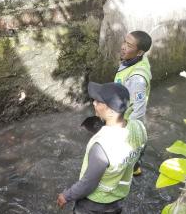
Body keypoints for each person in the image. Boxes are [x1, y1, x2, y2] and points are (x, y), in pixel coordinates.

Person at [57, 82, 147, 213]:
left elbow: (88, 184)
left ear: (111, 112)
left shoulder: (102, 145)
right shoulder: (139, 127)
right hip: (117, 201)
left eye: (99, 102)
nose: (94, 103)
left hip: (93, 205)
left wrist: (66, 196)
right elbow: (139, 155)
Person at [115, 30, 152, 122]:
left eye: (129, 46)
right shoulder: (136, 59)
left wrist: (127, 129)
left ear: (139, 53)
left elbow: (139, 110)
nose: (123, 47)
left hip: (125, 121)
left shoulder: (137, 79)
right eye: (124, 42)